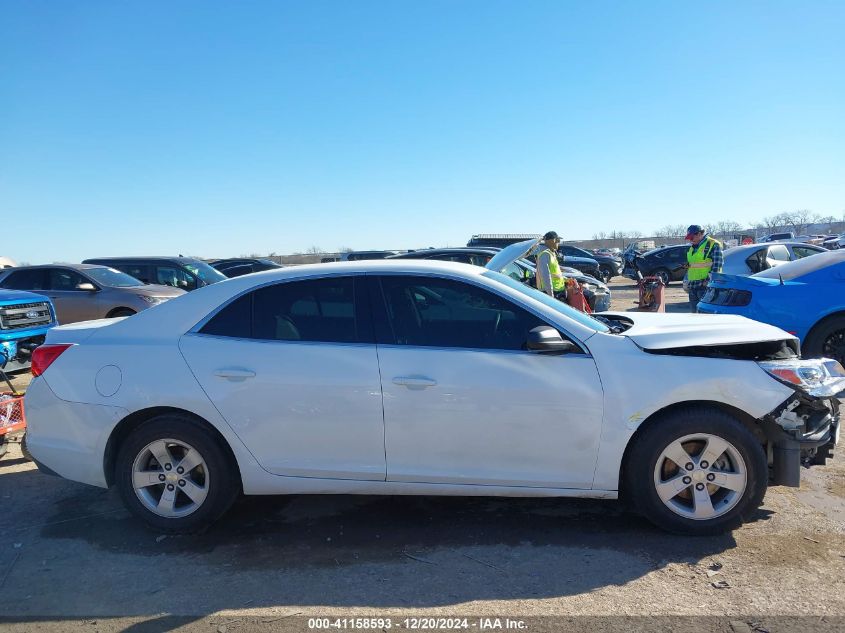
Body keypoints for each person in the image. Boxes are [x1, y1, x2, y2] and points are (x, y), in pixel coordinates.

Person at [684, 224, 723, 312]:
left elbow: (717, 265)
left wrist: (709, 281)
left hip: (705, 287)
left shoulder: (713, 244)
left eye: (691, 237)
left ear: (699, 234)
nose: (690, 240)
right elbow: (694, 265)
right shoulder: (692, 247)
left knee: (705, 316)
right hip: (693, 286)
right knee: (694, 315)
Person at [535, 231, 567, 298]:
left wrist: (566, 279)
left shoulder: (551, 253)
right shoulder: (545, 254)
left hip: (557, 291)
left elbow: (555, 273)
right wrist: (550, 295)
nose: (558, 243)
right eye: (558, 240)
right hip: (551, 293)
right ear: (553, 241)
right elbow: (545, 275)